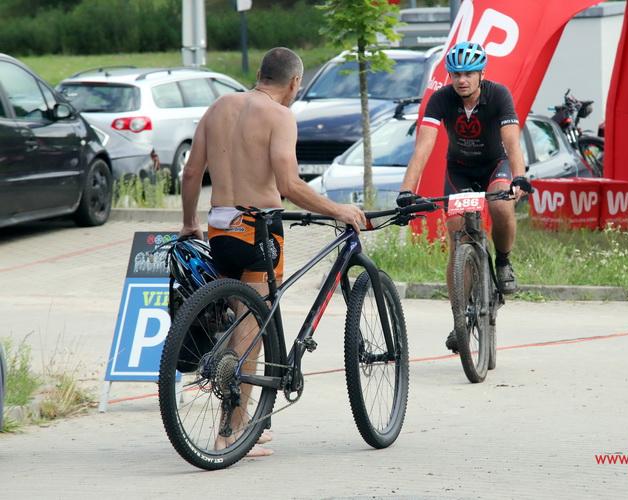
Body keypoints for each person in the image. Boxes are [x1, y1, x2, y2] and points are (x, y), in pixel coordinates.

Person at [180, 47, 366, 456]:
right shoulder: (280, 116)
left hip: (219, 228)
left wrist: (189, 221)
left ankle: (247, 418)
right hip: (258, 230)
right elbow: (289, 185)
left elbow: (192, 172)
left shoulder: (218, 107)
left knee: (240, 323)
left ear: (261, 74)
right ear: (295, 82)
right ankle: (230, 433)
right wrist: (338, 210)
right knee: (251, 333)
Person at [397, 41, 532, 353]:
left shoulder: (498, 95)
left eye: (469, 73)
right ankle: (460, 319)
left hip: (494, 166)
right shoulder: (441, 99)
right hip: (459, 171)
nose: (462, 80)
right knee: (457, 231)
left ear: (481, 73)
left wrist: (519, 176)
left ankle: (503, 261)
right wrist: (406, 190)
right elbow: (423, 147)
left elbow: (511, 142)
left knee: (500, 205)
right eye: (456, 74)